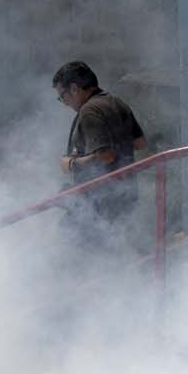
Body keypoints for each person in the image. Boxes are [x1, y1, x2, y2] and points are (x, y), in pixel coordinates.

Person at [52, 61, 148, 243]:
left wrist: (71, 163)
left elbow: (106, 156)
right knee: (113, 251)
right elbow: (140, 143)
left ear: (74, 88)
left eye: (62, 96)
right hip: (125, 195)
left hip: (100, 202)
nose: (64, 103)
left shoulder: (89, 111)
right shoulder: (116, 102)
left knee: (74, 246)